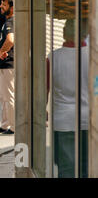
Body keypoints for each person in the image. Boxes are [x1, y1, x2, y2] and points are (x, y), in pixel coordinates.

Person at [48, 19, 89, 177]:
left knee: (66, 168)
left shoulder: (53, 57)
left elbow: (44, 90)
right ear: (85, 34)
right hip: (89, 120)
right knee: (87, 167)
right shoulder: (94, 57)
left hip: (63, 121)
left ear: (64, 33)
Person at [0, 0, 15, 135]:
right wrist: (1, 43)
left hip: (8, 64)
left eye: (4, 4)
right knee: (3, 96)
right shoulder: (9, 21)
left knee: (9, 96)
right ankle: (5, 124)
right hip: (5, 65)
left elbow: (11, 39)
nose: (1, 6)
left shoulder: (10, 22)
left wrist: (2, 51)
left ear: (12, 7)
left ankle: (13, 126)